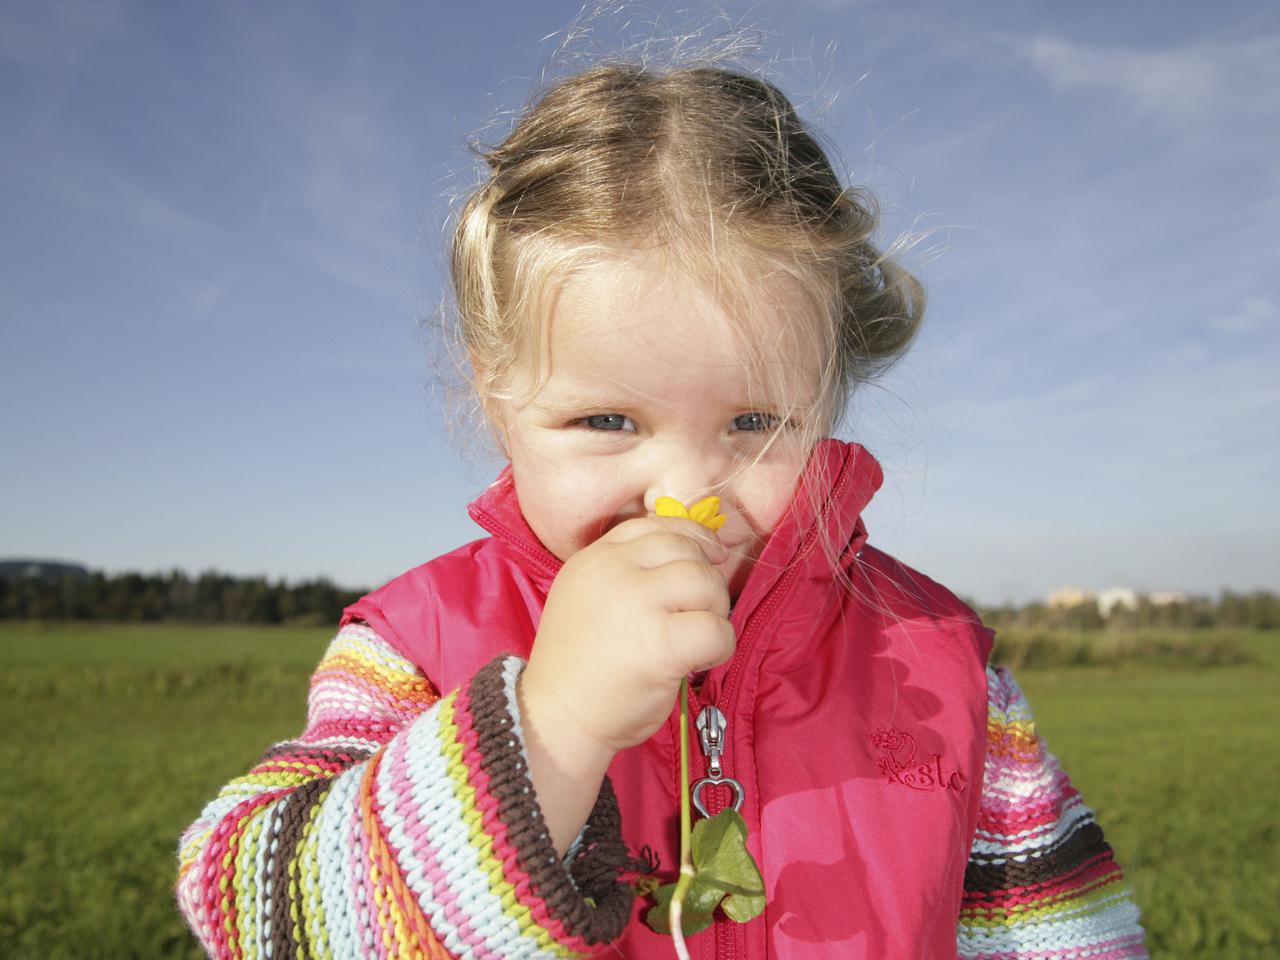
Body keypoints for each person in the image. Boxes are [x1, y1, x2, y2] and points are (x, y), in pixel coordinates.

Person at [176, 62, 1148, 959]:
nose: (685, 494)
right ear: (494, 396)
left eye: (754, 422)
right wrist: (546, 726)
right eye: (606, 418)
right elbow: (251, 913)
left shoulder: (937, 661)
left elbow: (1063, 934)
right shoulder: (416, 648)